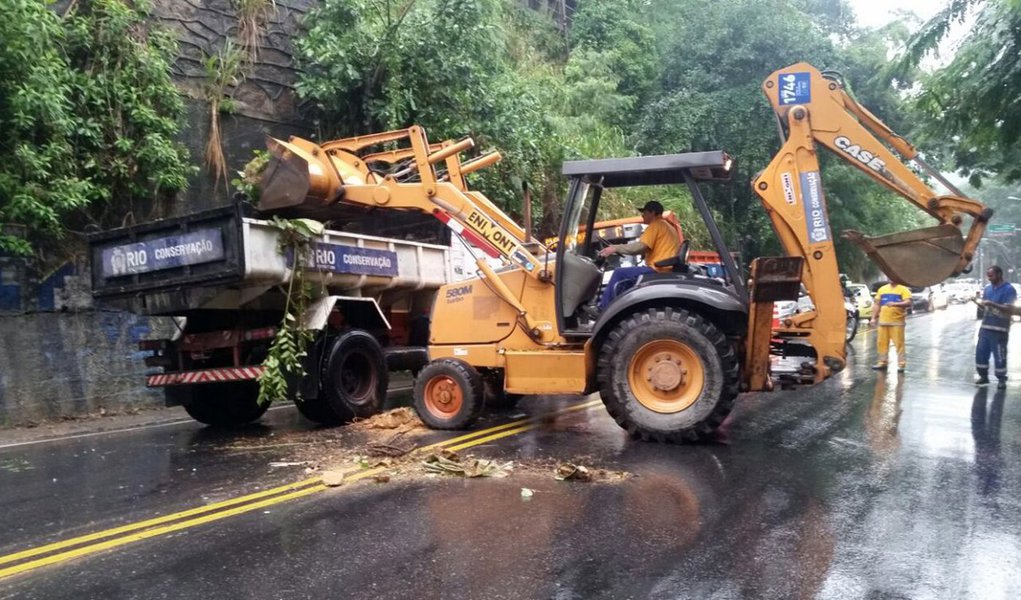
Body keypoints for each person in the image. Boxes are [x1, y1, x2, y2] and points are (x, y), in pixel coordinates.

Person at [596, 200, 680, 311]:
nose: (642, 215)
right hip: (665, 269)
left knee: (619, 273)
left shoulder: (656, 225)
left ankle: (603, 309)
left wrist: (615, 248)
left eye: (645, 212)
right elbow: (651, 248)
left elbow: (639, 247)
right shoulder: (668, 227)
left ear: (653, 213)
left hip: (657, 270)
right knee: (626, 276)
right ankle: (621, 307)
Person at [974, 265, 1017, 388]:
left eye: (991, 276)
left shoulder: (1009, 289)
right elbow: (986, 307)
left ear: (999, 275)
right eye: (988, 276)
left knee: (999, 355)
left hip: (1000, 329)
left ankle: (1001, 379)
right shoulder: (988, 289)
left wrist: (992, 303)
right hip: (986, 328)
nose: (989, 278)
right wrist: (981, 305)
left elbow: (1009, 308)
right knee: (981, 353)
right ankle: (983, 376)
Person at [870, 277, 912, 371]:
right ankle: (882, 362)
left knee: (899, 344)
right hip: (883, 321)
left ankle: (901, 364)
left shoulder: (903, 289)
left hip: (897, 322)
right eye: (889, 276)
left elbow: (908, 302)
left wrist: (896, 304)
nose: (890, 278)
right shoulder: (882, 289)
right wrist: (873, 318)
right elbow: (877, 304)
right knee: (881, 343)